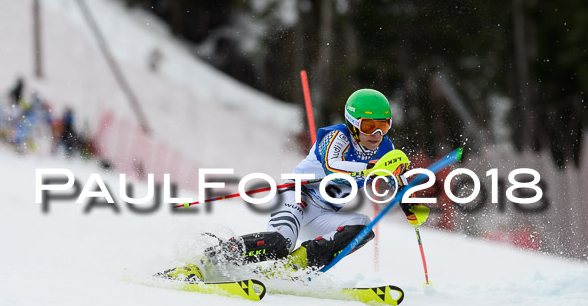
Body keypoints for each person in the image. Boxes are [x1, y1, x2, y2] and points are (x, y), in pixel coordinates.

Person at [162, 89, 430, 282]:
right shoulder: (337, 136)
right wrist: (374, 169)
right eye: (369, 125)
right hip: (296, 195)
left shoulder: (385, 148)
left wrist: (409, 202)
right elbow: (333, 167)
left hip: (323, 211)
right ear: (353, 123)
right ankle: (202, 261)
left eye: (383, 125)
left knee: (362, 227)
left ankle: (291, 268)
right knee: (279, 242)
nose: (376, 134)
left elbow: (398, 180)